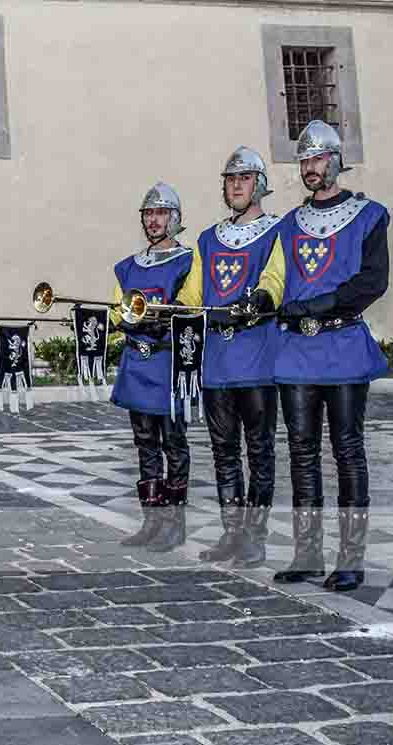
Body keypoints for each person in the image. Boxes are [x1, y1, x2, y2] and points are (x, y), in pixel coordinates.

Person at [271, 120, 390, 591]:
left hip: (341, 347)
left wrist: (325, 302)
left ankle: (351, 558)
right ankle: (306, 554)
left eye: (318, 159)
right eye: (303, 161)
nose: (310, 168)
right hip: (297, 350)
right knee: (301, 452)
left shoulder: (369, 215)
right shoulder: (288, 225)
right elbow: (275, 277)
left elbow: (373, 281)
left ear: (336, 160)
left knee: (347, 451)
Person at [179, 147, 284, 566]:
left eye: (243, 178)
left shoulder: (278, 231)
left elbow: (275, 277)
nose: (236, 185)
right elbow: (194, 293)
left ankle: (255, 538)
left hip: (258, 356)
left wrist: (260, 298)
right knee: (224, 450)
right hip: (218, 361)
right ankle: (232, 534)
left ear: (258, 184)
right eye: (230, 179)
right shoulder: (207, 239)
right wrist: (168, 308)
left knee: (259, 450)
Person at [108, 183, 196, 552]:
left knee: (173, 444)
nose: (153, 220)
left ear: (174, 219)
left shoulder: (188, 261)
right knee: (144, 444)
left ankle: (174, 525)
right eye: (148, 213)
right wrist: (123, 323)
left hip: (168, 363)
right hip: (137, 363)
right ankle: (151, 521)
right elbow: (118, 312)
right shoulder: (128, 267)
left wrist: (167, 316)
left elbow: (191, 305)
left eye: (160, 213)